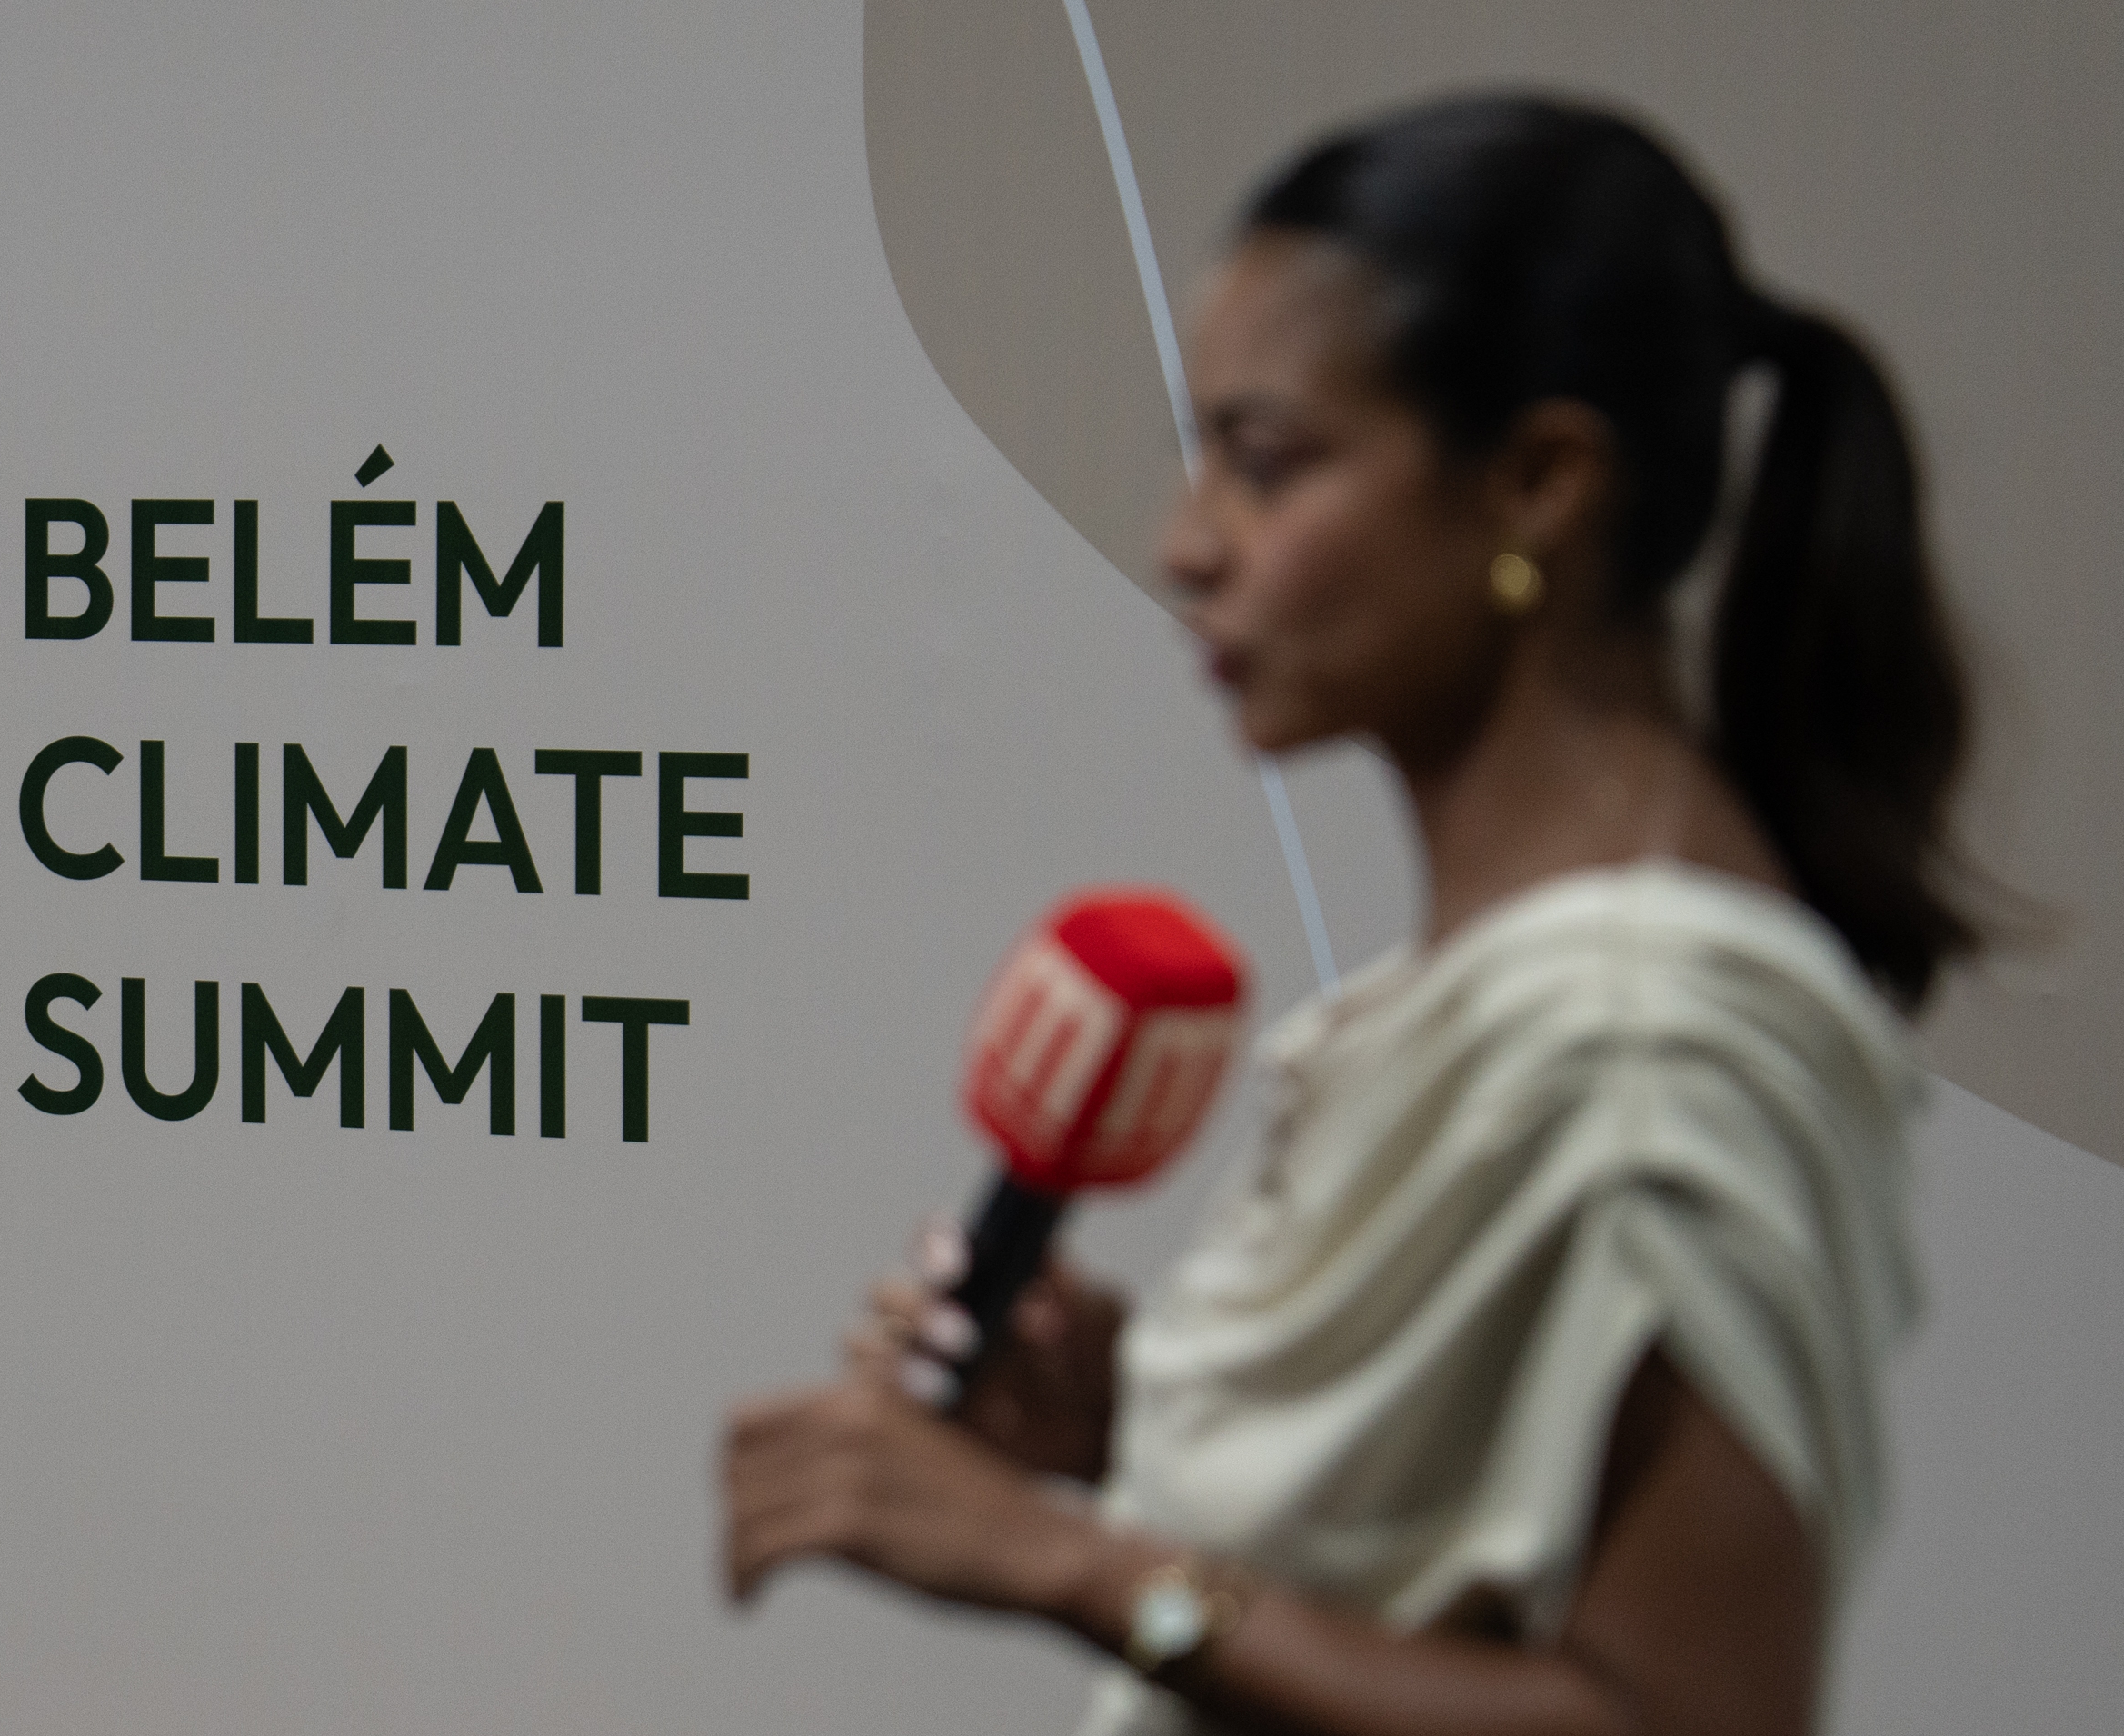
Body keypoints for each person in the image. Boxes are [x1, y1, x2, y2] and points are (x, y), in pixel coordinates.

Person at [719, 94, 1980, 1736]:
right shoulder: (1528, 985)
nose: (1189, 545)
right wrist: (1139, 1433)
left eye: (1267, 465)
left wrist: (1065, 1558)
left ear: (1537, 483)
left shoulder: (1643, 1042)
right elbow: (1450, 1582)